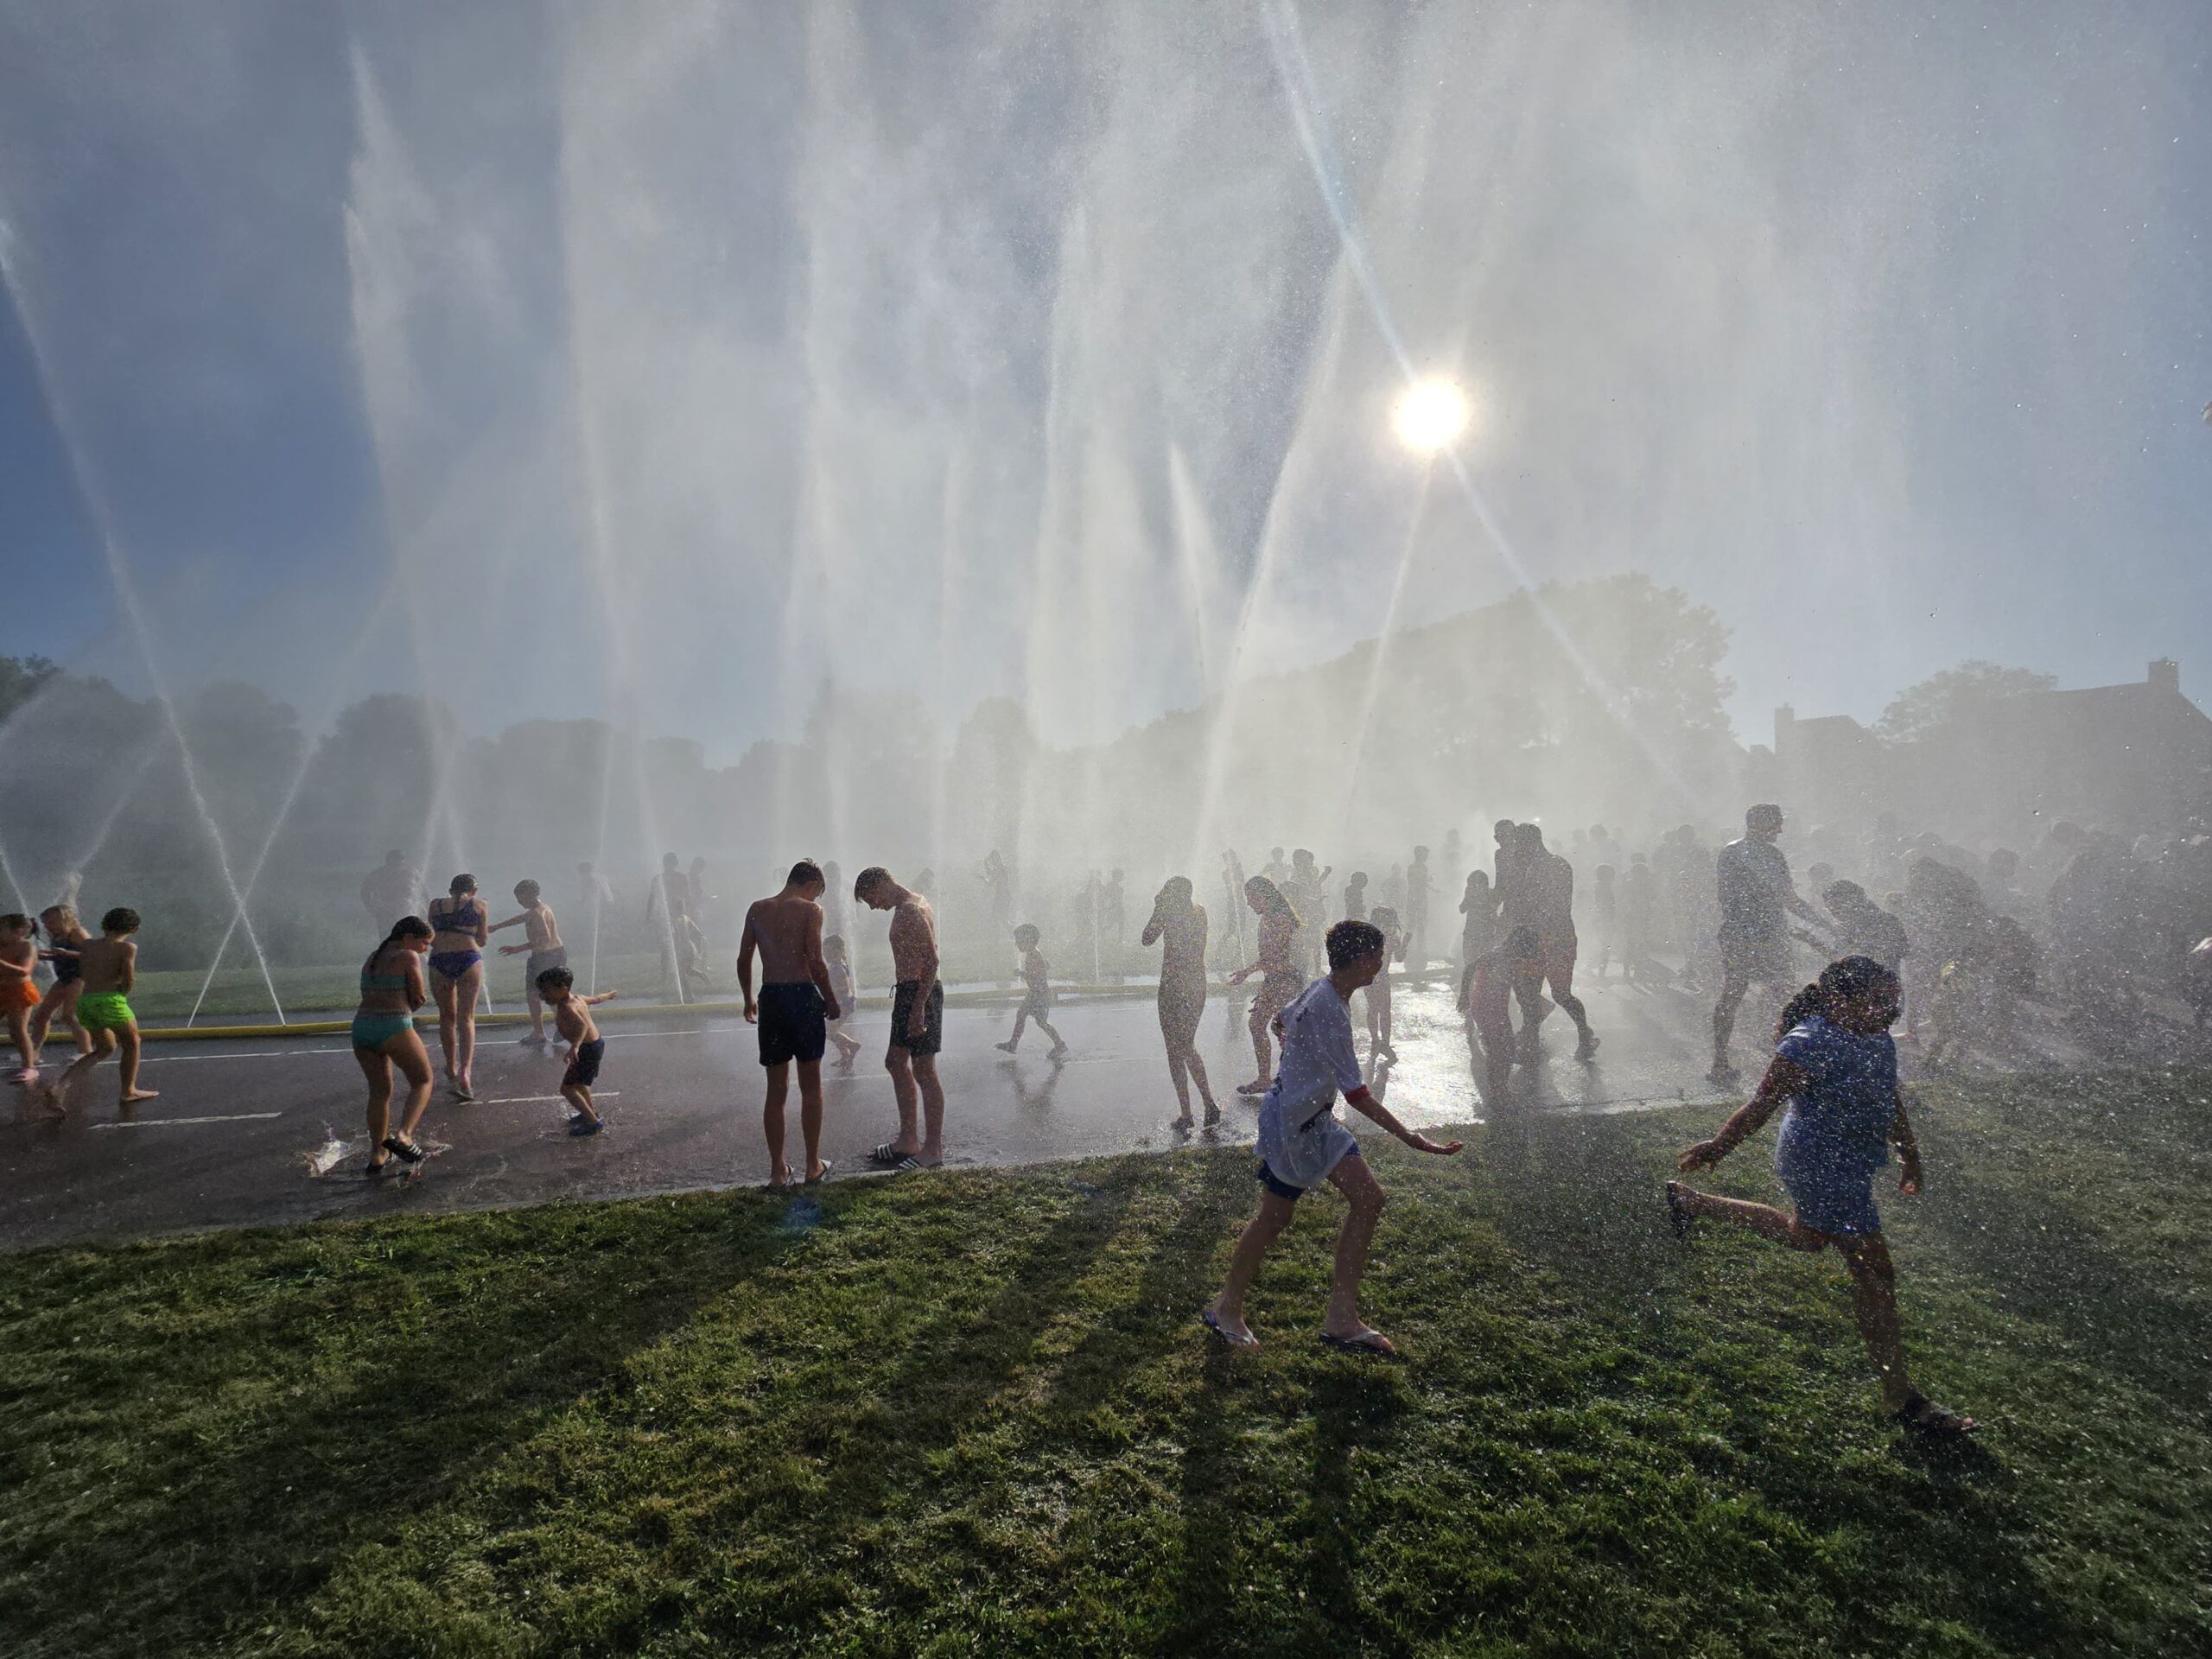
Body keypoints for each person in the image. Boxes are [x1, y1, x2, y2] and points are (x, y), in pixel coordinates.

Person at [1669, 956, 1974, 1439]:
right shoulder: (1809, 1043)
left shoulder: (1877, 1038)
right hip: (1818, 1165)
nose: (1890, 1011)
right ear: (1837, 1000)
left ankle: (1691, 1202)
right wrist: (1718, 1146)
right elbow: (1762, 1104)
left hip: (1850, 1163)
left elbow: (1889, 1098)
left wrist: (1909, 1153)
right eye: (1878, 1001)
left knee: (1807, 1237)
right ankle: (1900, 1395)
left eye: (1894, 1001)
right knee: (1875, 1272)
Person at [1202, 919, 1464, 1354]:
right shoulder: (1331, 1010)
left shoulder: (1321, 990)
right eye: (1378, 957)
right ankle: (1226, 1309)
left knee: (1369, 1199)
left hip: (1313, 1119)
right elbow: (1357, 1094)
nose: (1381, 964)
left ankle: (1342, 1319)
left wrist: (1297, 1052)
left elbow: (1280, 1021)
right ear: (1360, 960)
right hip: (1293, 1125)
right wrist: (1409, 1137)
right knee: (1274, 1218)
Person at [738, 861, 842, 1186]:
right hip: (801, 997)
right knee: (811, 1087)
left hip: (771, 997)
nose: (817, 899)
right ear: (812, 885)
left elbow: (744, 959)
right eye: (818, 893)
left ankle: (777, 1171)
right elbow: (815, 959)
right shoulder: (810, 910)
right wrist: (830, 998)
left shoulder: (757, 909)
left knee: (776, 1091)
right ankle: (813, 1165)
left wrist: (748, 998)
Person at [1710, 804, 1821, 1084]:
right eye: (1776, 824)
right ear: (1760, 823)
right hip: (1763, 934)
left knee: (1735, 992)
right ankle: (1787, 1057)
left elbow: (1726, 896)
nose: (1780, 830)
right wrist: (1822, 922)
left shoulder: (1730, 852)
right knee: (1781, 992)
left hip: (1739, 932)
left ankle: (1722, 1059)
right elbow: (1788, 899)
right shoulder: (1768, 855)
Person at [855, 867, 945, 1173]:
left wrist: (919, 1007)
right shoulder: (912, 904)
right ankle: (908, 1140)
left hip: (920, 993)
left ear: (881, 883)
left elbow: (932, 960)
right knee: (895, 1062)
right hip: (908, 993)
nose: (873, 906)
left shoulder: (910, 910)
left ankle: (932, 1149)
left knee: (924, 1070)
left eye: (871, 898)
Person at [35, 906, 157, 1116]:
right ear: (134, 929)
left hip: (86, 1002)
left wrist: (63, 954)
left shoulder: (89, 945)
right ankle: (128, 1091)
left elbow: (83, 959)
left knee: (105, 1048)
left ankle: (60, 1086)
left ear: (104, 925)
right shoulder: (128, 948)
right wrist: (122, 992)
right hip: (110, 1001)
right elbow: (128, 978)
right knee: (132, 1043)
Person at [1504, 823, 1599, 1061]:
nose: (1516, 849)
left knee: (1560, 994)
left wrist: (1529, 925)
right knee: (1530, 993)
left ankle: (1584, 1034)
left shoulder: (1553, 866)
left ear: (1530, 843)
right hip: (1539, 937)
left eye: (1518, 844)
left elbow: (1551, 905)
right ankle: (1530, 1044)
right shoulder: (1538, 866)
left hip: (1556, 939)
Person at [350, 916, 435, 1173]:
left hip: (362, 1028)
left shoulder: (372, 957)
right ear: (408, 938)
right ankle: (405, 1136)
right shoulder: (408, 956)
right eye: (424, 943)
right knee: (423, 1080)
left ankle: (377, 1153)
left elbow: (367, 994)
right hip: (394, 1025)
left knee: (379, 1092)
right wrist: (407, 1008)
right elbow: (417, 997)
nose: (425, 949)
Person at [1141, 877, 1217, 1131]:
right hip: (1196, 983)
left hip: (1174, 987)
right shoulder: (1200, 912)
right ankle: (1206, 1105)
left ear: (1172, 896)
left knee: (1176, 1049)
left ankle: (1190, 1112)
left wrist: (1157, 909)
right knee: (1186, 1045)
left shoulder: (1168, 914)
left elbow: (1147, 938)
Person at [1227, 874, 1303, 1095]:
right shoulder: (1271, 917)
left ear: (1263, 895)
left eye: (1251, 897)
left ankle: (1287, 1080)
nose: (1248, 903)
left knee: (1272, 1027)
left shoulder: (1280, 918)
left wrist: (1247, 972)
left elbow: (1276, 956)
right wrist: (1264, 983)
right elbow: (1270, 958)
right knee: (1274, 1027)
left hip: (1286, 980)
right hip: (1278, 979)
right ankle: (1278, 1079)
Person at [1461, 926, 1545, 1109]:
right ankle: (1498, 1092)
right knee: (1499, 1050)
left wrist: (1526, 1002)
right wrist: (1463, 996)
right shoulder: (1497, 954)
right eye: (1528, 949)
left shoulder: (1513, 959)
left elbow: (1515, 983)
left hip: (1497, 1007)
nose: (1527, 955)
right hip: (1485, 1006)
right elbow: (1470, 968)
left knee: (1506, 1048)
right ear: (1520, 945)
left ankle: (1500, 1090)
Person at [425, 874, 489, 1100]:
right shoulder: (480, 905)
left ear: (450, 889)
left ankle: (451, 1068)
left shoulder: (435, 905)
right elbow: (482, 940)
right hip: (468, 958)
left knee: (446, 1017)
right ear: (474, 890)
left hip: (440, 960)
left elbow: (431, 937)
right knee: (467, 1017)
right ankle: (465, 1073)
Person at [538, 965, 619, 1136]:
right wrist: (608, 996)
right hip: (594, 1045)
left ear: (563, 989)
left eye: (546, 991)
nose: (543, 996)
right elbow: (596, 999)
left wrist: (575, 1046)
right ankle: (590, 1112)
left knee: (567, 1089)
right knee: (580, 1084)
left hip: (587, 1049)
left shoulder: (567, 1008)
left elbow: (583, 1026)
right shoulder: (577, 998)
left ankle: (593, 1123)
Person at [490, 880, 563, 1045]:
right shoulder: (543, 908)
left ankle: (539, 1033)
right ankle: (562, 1024)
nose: (519, 901)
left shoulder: (536, 914)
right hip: (557, 953)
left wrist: (517, 949)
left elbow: (544, 938)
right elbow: (523, 918)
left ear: (530, 895)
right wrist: (497, 926)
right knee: (551, 992)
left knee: (533, 995)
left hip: (543, 957)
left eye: (520, 897)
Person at [28, 903, 92, 1066]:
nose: (48, 927)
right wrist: (45, 956)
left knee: (69, 1015)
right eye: (45, 924)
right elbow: (60, 956)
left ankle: (85, 1050)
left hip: (79, 978)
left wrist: (67, 953)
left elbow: (93, 955)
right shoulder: (57, 935)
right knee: (42, 1015)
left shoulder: (78, 933)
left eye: (52, 923)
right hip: (63, 978)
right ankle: (33, 1052)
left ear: (66, 920)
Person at [995, 924, 1068, 1058]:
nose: (1017, 944)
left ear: (1029, 941)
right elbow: (1046, 967)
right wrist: (1043, 966)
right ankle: (1013, 1044)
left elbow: (1037, 976)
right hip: (1036, 992)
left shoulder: (1034, 955)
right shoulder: (1034, 954)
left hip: (1039, 993)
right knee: (1023, 1015)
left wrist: (1021, 973)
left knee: (1040, 1021)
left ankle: (1060, 1044)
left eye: (1019, 941)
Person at [645, 853, 693, 999]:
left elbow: (687, 896)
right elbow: (652, 897)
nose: (669, 866)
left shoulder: (682, 878)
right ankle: (665, 975)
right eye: (667, 863)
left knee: (681, 944)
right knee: (665, 946)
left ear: (675, 864)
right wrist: (649, 914)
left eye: (671, 863)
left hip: (678, 913)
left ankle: (683, 971)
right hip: (664, 915)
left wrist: (688, 913)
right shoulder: (658, 879)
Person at [1363, 905, 1404, 1066]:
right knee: (1381, 1010)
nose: (1387, 925)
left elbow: (1399, 958)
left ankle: (1379, 1041)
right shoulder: (1382, 937)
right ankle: (1381, 1041)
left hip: (1374, 978)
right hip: (1376, 978)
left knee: (1378, 1010)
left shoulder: (1373, 937)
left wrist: (1405, 944)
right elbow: (1400, 958)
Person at [2, 914, 41, 1084]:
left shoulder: (26, 947)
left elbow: (25, 970)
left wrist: (2, 964)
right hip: (2, 990)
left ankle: (30, 1067)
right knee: (14, 1031)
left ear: (18, 931)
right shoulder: (2, 945)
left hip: (20, 991)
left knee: (18, 1030)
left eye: (1, 930)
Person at [823, 933, 863, 1065]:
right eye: (824, 951)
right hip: (843, 1004)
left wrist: (833, 1003)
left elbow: (842, 989)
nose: (825, 954)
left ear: (838, 951)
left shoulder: (837, 968)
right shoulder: (838, 965)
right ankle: (846, 1055)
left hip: (843, 1005)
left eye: (828, 951)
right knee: (832, 1031)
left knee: (830, 1032)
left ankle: (852, 1046)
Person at [360, 850, 423, 930]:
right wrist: (370, 907)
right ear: (388, 862)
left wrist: (424, 906)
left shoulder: (411, 873)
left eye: (400, 863)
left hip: (406, 910)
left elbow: (422, 890)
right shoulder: (378, 875)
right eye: (395, 863)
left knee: (407, 933)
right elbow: (365, 891)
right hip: (386, 912)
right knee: (387, 934)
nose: (397, 866)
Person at [1621, 855, 1658, 982]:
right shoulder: (1633, 885)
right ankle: (1631, 971)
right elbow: (1652, 898)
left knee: (1637, 944)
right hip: (1634, 917)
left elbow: (1653, 898)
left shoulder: (1633, 884)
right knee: (1635, 944)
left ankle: (1635, 970)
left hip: (1640, 917)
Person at [1458, 869, 1496, 967]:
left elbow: (1462, 909)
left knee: (1470, 963)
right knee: (1484, 964)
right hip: (1486, 934)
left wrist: (1468, 896)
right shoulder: (1490, 893)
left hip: (1471, 933)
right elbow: (1493, 914)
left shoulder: (1471, 893)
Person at [1405, 845, 1433, 969]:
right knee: (1415, 923)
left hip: (1418, 898)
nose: (1427, 857)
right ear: (1419, 854)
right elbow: (1414, 882)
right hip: (1416, 898)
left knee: (1418, 923)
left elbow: (1421, 883)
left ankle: (1417, 947)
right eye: (1425, 854)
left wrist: (1432, 887)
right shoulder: (1415, 867)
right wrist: (1427, 880)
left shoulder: (1420, 867)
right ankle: (1412, 947)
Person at [1590, 864, 1619, 981]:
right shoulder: (1605, 889)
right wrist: (1608, 922)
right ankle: (1601, 975)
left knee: (1602, 947)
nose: (1614, 877)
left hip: (1600, 920)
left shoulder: (1599, 886)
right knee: (1605, 948)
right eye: (1612, 874)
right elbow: (1606, 907)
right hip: (1604, 921)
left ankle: (1590, 968)